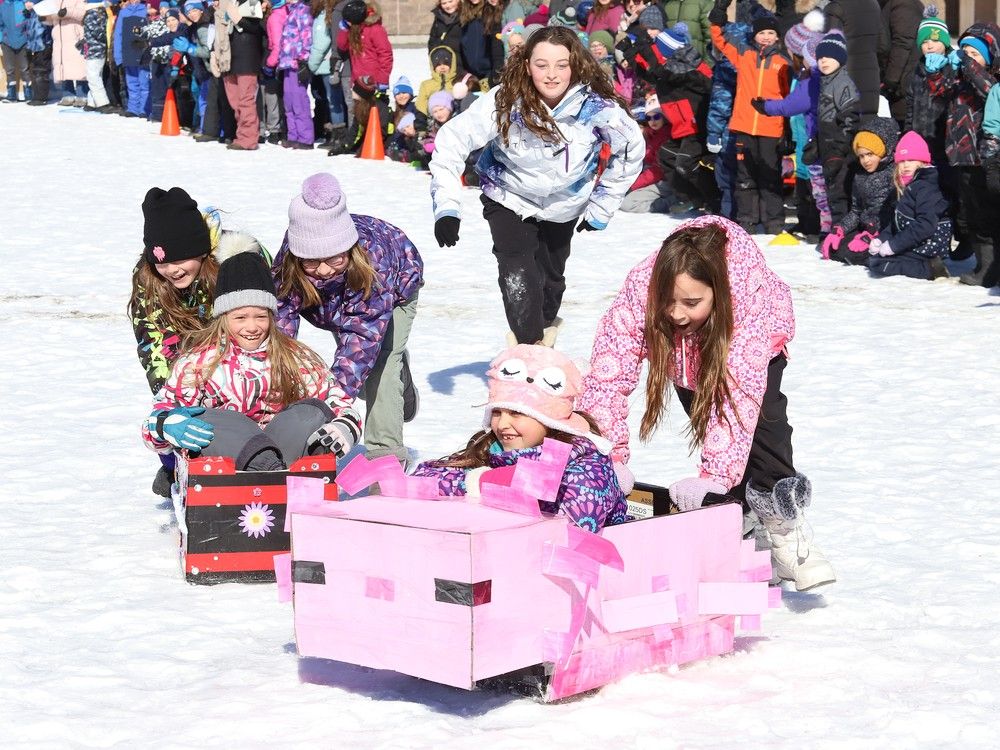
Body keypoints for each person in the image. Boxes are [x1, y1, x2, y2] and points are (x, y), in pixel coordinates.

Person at [578, 215, 836, 592]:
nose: (677, 313)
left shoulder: (746, 298)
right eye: (666, 302)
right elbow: (607, 375)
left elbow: (733, 405)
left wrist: (712, 478)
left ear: (718, 291)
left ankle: (783, 529)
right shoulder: (640, 287)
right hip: (685, 362)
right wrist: (608, 457)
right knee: (723, 445)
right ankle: (743, 522)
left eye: (692, 302)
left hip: (751, 356)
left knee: (765, 429)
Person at [430, 26, 644, 346]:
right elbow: (450, 141)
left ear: (576, 64)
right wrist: (447, 206)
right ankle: (529, 350)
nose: (552, 75)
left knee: (550, 282)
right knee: (517, 270)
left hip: (564, 203)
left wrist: (602, 203)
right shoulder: (506, 100)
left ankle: (542, 331)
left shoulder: (596, 107)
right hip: (508, 193)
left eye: (561, 65)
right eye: (542, 65)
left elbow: (630, 150)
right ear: (527, 64)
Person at [142, 248, 362, 473]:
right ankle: (267, 471)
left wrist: (345, 426)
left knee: (311, 411)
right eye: (240, 317)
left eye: (260, 316)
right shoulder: (198, 363)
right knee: (208, 419)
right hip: (227, 468)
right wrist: (165, 425)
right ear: (223, 318)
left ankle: (276, 474)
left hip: (287, 458)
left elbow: (339, 403)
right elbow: (158, 418)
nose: (251, 327)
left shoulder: (297, 359)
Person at [271, 172, 423, 464]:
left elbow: (360, 341)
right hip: (334, 306)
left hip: (398, 285)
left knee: (381, 363)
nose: (325, 269)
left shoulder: (373, 264)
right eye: (312, 262)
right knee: (364, 377)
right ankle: (398, 381)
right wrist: (278, 374)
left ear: (349, 250)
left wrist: (330, 406)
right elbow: (281, 322)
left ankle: (384, 456)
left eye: (335, 259)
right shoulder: (289, 263)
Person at [412, 345, 628, 533]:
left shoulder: (586, 465)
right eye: (497, 413)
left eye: (516, 413)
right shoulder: (493, 450)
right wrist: (481, 481)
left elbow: (576, 523)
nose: (502, 424)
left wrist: (517, 486)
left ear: (550, 420)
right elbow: (421, 477)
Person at [708, 2, 791, 233]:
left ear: (777, 37)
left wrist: (787, 131)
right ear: (754, 35)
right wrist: (717, 18)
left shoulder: (783, 63)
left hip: (771, 129)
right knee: (745, 178)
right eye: (762, 32)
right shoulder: (744, 55)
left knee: (770, 177)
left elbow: (788, 98)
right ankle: (747, 221)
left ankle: (774, 223)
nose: (766, 37)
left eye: (770, 33)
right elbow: (720, 41)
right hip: (744, 127)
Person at [867, 131, 952, 280]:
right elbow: (897, 223)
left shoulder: (926, 186)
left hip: (929, 245)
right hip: (914, 240)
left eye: (912, 160)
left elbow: (925, 225)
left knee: (880, 264)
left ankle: (930, 268)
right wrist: (881, 239)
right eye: (902, 161)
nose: (906, 165)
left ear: (923, 161)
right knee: (873, 258)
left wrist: (893, 245)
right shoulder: (908, 185)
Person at [823, 116, 899, 264]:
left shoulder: (894, 173)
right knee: (836, 249)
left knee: (852, 254)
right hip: (865, 230)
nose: (866, 161)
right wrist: (839, 229)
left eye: (870, 154)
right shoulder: (860, 176)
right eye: (862, 156)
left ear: (883, 151)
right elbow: (857, 211)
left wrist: (873, 233)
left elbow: (894, 212)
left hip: (885, 231)